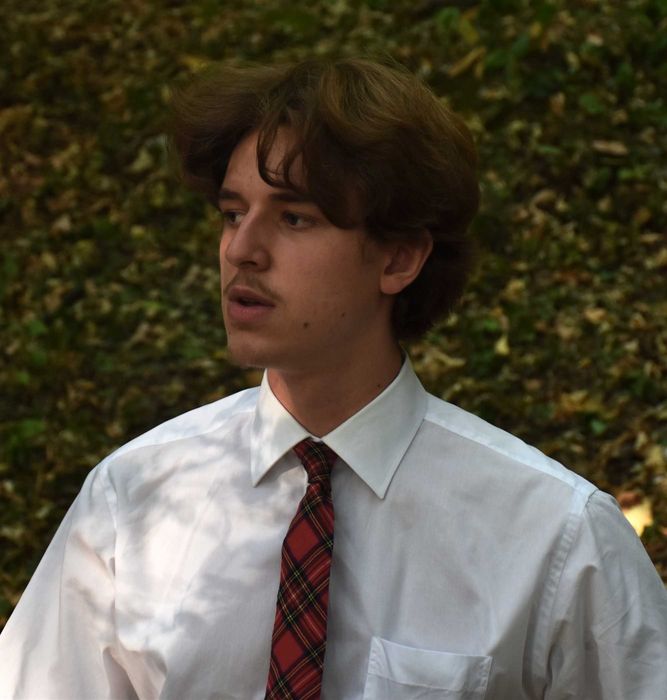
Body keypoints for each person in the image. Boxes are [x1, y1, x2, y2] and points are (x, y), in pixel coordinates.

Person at [1, 57, 666, 700]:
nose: (241, 249)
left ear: (398, 258)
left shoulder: (556, 538)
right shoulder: (133, 499)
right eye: (232, 214)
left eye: (294, 218)